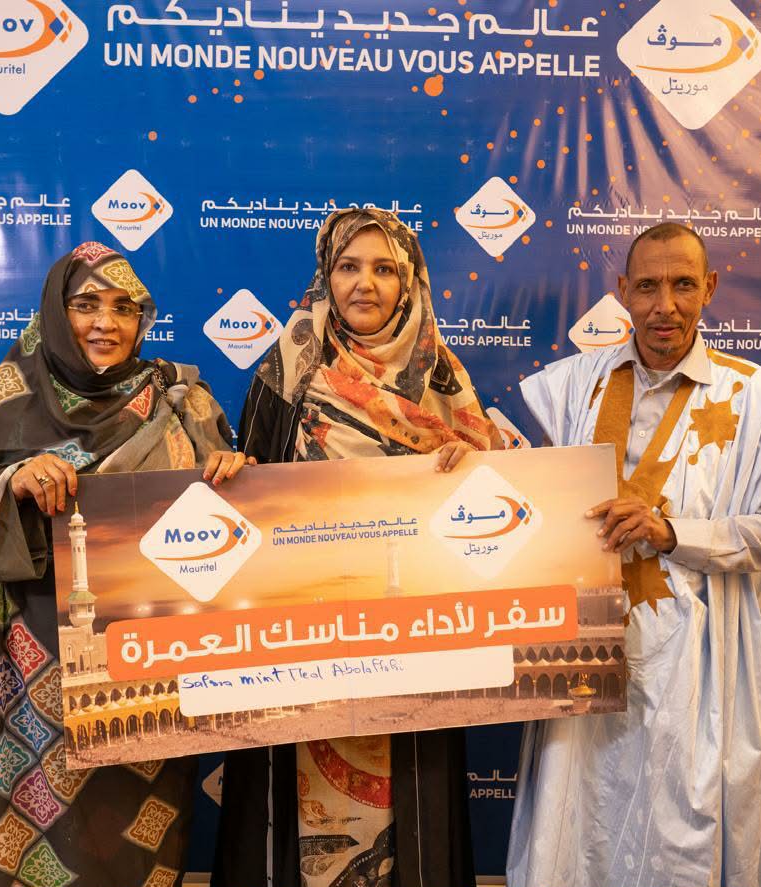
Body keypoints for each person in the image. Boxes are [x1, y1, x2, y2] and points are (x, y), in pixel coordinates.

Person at [507, 222, 761, 887]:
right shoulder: (573, 386)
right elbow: (526, 505)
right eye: (649, 286)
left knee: (680, 837)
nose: (666, 305)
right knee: (581, 827)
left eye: (684, 284)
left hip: (698, 672)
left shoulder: (760, 399)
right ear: (623, 290)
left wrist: (672, 532)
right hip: (584, 655)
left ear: (709, 287)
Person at [0, 241, 249, 887]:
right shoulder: (15, 395)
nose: (105, 323)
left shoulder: (182, 401)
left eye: (124, 308)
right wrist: (5, 484)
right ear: (57, 314)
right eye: (86, 304)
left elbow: (229, 531)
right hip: (17, 687)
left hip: (142, 679)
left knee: (129, 856)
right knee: (11, 858)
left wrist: (235, 476)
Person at [211, 208, 500, 887]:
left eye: (384, 269)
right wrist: (234, 473)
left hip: (413, 643)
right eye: (348, 266)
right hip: (301, 642)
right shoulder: (287, 366)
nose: (364, 283)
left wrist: (472, 469)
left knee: (410, 812)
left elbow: (494, 514)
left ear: (409, 282)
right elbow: (250, 496)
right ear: (326, 276)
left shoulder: (443, 379)